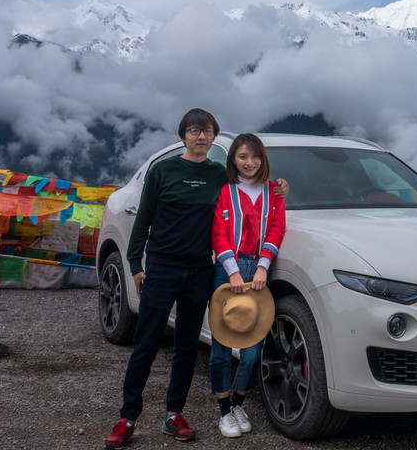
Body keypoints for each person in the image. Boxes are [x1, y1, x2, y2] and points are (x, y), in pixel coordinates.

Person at [105, 111, 287, 449]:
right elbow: (143, 219)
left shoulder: (219, 176)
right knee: (145, 343)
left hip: (200, 272)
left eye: (207, 131)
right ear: (183, 135)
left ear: (214, 136)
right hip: (162, 268)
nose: (200, 137)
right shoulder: (163, 170)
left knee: (186, 348)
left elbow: (249, 188)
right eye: (194, 130)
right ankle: (127, 418)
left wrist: (279, 186)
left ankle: (173, 415)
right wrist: (135, 265)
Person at [208, 133, 287, 438]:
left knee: (253, 349)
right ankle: (224, 410)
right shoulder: (225, 192)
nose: (249, 163)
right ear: (233, 160)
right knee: (221, 346)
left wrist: (263, 265)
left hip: (259, 271)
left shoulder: (274, 192)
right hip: (227, 269)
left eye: (254, 157)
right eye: (242, 157)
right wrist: (232, 270)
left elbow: (277, 228)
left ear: (262, 159)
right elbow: (218, 232)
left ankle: (239, 401)